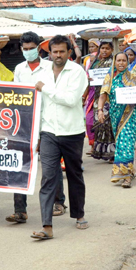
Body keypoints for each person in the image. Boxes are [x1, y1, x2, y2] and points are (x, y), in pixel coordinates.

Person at [31, 35, 89, 240]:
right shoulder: (43, 71)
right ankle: (47, 226)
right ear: (49, 52)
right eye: (54, 51)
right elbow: (38, 104)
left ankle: (79, 214)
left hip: (72, 131)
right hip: (48, 132)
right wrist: (36, 134)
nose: (58, 55)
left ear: (69, 52)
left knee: (74, 174)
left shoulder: (77, 71)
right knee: (48, 176)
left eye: (62, 51)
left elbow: (71, 100)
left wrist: (45, 88)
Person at [12, 31, 68, 221]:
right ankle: (20, 210)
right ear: (21, 49)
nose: (28, 52)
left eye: (31, 48)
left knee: (50, 164)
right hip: (26, 121)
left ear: (39, 48)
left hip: (48, 120)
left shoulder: (51, 66)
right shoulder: (19, 69)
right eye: (25, 49)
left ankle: (59, 202)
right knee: (19, 163)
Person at [98, 51, 136, 188]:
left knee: (126, 143)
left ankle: (126, 176)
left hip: (131, 115)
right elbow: (103, 95)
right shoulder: (110, 77)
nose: (121, 63)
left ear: (128, 62)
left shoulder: (134, 77)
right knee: (120, 144)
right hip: (116, 116)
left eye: (123, 61)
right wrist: (100, 110)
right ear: (115, 62)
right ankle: (129, 170)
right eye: (118, 60)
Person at [88, 41, 115, 160]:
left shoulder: (114, 62)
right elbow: (90, 77)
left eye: (107, 48)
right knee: (99, 123)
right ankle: (101, 151)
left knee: (109, 124)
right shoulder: (96, 62)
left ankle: (112, 153)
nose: (104, 51)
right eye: (102, 48)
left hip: (110, 96)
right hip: (98, 96)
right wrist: (90, 78)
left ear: (112, 50)